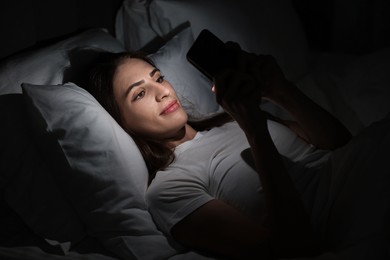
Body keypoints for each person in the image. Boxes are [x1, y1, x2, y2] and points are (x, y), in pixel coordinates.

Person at [85, 43, 352, 259]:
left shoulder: (228, 118)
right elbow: (292, 251)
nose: (162, 92)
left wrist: (281, 91)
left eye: (159, 78)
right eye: (140, 94)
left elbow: (340, 143)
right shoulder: (168, 188)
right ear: (121, 123)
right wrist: (255, 130)